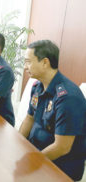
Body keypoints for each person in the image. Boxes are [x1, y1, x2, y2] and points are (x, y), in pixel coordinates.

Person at [19, 40, 86, 181]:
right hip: (37, 154)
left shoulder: (68, 97)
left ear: (45, 62)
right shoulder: (37, 86)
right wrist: (17, 145)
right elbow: (29, 119)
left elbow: (62, 147)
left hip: (59, 166)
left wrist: (31, 161)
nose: (25, 67)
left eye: (28, 62)